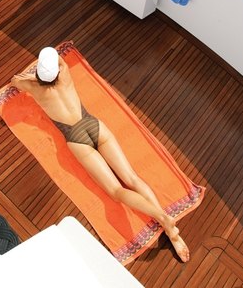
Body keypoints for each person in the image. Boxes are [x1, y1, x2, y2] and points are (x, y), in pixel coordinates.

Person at [11, 47, 190, 262]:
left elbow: (15, 81)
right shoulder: (65, 72)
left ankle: (162, 217)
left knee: (115, 191)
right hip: (94, 125)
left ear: (39, 74)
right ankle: (170, 229)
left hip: (77, 138)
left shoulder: (34, 88)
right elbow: (57, 58)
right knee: (132, 178)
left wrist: (33, 78)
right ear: (57, 72)